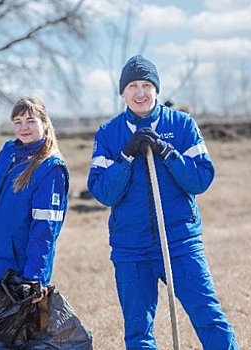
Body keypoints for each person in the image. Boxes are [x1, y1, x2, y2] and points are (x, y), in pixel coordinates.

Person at [87, 55, 238, 349]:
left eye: (146, 85)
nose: (140, 92)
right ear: (122, 93)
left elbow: (201, 179)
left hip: (180, 243)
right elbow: (104, 192)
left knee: (209, 317)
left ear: (156, 90)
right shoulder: (109, 134)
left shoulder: (182, 125)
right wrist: (126, 156)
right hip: (131, 247)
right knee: (138, 331)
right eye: (132, 86)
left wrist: (168, 152)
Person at [0, 97, 69, 327]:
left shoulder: (50, 169)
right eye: (18, 121)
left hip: (16, 277)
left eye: (31, 121)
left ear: (45, 123)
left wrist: (36, 277)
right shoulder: (6, 153)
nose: (24, 127)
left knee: (7, 341)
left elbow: (45, 231)